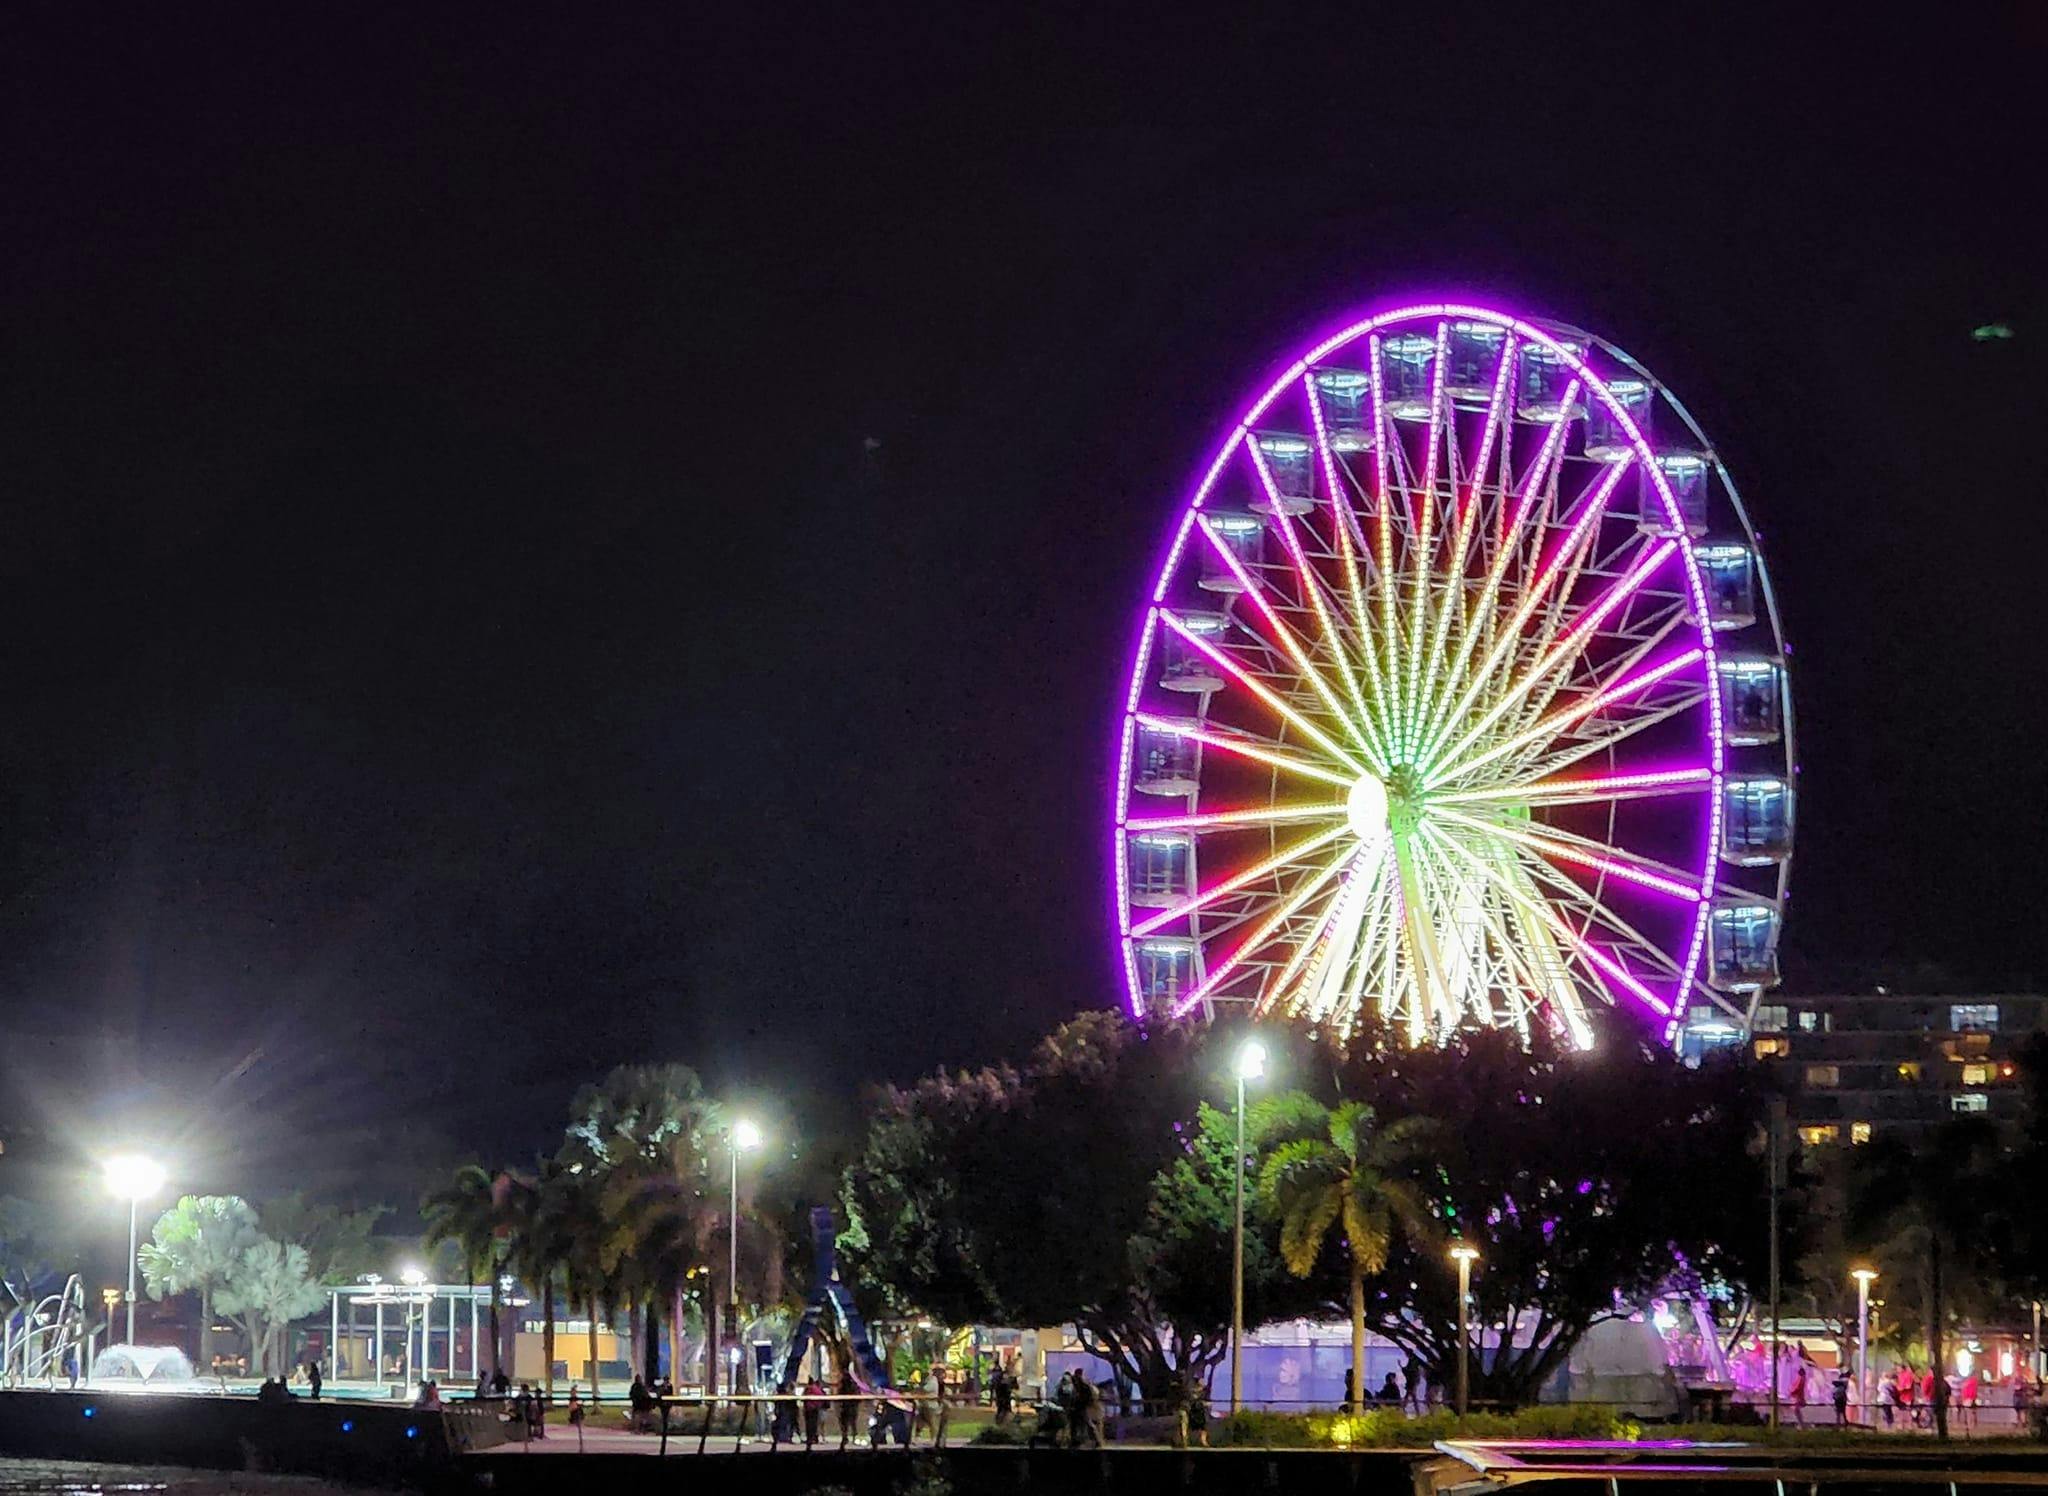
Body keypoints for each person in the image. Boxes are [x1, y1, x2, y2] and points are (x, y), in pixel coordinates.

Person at [836, 1366, 861, 1450]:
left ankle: (849, 1436)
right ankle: (848, 1437)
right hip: (848, 1407)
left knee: (849, 1423)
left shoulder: (851, 1386)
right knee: (848, 1423)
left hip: (849, 1406)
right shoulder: (848, 1386)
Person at [802, 1374, 826, 1448]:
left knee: (810, 1425)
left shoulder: (809, 1389)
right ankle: (813, 1438)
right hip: (813, 1410)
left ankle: (811, 1438)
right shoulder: (815, 1388)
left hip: (810, 1410)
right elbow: (821, 1396)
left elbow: (803, 1397)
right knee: (813, 1425)